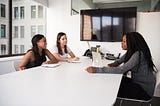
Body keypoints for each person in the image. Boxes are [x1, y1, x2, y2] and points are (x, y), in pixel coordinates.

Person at [86, 32, 157, 100]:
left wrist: (97, 70)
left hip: (144, 90)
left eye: (124, 41)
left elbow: (121, 70)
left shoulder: (138, 54)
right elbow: (119, 61)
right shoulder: (132, 52)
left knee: (110, 88)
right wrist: (113, 64)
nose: (121, 43)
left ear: (131, 43)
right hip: (137, 83)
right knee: (113, 81)